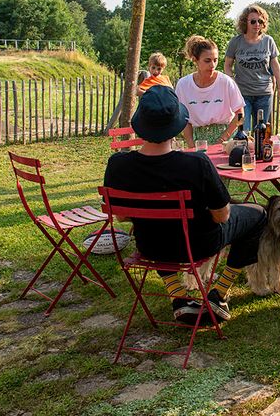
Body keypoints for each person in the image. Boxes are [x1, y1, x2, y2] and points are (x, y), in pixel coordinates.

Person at [103, 85, 266, 324]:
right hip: (198, 245)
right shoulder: (196, 164)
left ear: (141, 124)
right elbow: (221, 217)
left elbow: (122, 217)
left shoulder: (117, 165)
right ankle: (218, 294)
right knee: (258, 214)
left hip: (150, 246)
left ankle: (178, 297)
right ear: (176, 126)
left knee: (158, 226)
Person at [176, 35, 245, 147]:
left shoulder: (226, 82)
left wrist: (223, 138)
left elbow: (240, 114)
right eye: (207, 61)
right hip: (197, 140)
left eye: (215, 60)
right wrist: (191, 145)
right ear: (195, 60)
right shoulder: (183, 85)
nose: (212, 65)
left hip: (226, 139)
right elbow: (184, 120)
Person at [224, 4, 280, 132]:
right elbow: (227, 65)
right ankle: (244, 152)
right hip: (242, 94)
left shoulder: (268, 41)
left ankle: (261, 152)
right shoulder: (236, 42)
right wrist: (232, 81)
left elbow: (275, 65)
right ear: (245, 22)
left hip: (264, 93)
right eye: (253, 21)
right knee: (242, 131)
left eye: (260, 21)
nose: (257, 24)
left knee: (261, 131)